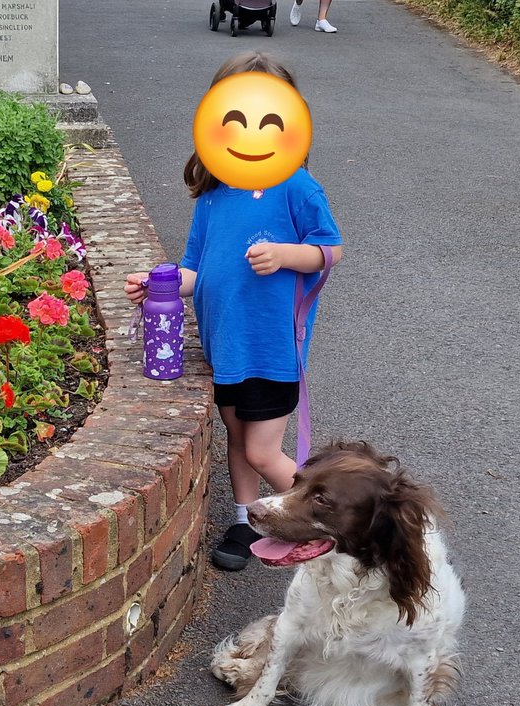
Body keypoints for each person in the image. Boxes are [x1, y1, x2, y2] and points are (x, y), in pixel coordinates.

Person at [125, 52, 343, 571]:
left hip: (270, 348)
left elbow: (330, 249)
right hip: (227, 345)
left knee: (265, 453)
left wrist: (287, 255)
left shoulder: (297, 186)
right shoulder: (213, 195)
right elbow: (199, 271)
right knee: (240, 442)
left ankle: (338, 524)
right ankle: (247, 520)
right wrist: (160, 283)